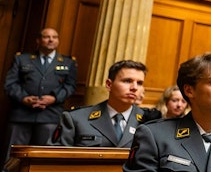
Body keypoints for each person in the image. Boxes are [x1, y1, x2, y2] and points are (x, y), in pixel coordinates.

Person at [4, 28, 77, 161]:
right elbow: (11, 83)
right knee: (13, 154)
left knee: (43, 155)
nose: (51, 40)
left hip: (50, 116)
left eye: (54, 37)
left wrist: (54, 98)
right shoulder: (22, 58)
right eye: (47, 37)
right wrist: (23, 98)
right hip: (22, 114)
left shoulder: (68, 62)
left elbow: (70, 86)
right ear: (38, 40)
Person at [53, 60, 147, 147]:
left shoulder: (148, 121)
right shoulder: (76, 119)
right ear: (109, 85)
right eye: (127, 81)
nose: (134, 87)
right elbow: (54, 158)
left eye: (139, 83)